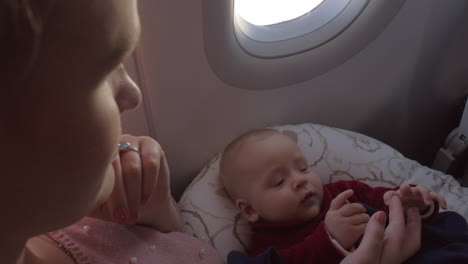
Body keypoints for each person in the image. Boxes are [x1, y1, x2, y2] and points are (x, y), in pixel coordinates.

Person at [0, 1, 427, 264]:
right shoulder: (267, 243)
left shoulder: (76, 217)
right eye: (99, 72)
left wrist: (156, 210)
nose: (130, 93)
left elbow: (171, 243)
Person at [219, 128, 468, 264]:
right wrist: (329, 239)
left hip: (418, 250)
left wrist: (411, 202)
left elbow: (386, 199)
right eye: (279, 181)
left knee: (450, 233)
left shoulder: (343, 191)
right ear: (250, 210)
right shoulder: (269, 245)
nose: (300, 180)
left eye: (303, 168)